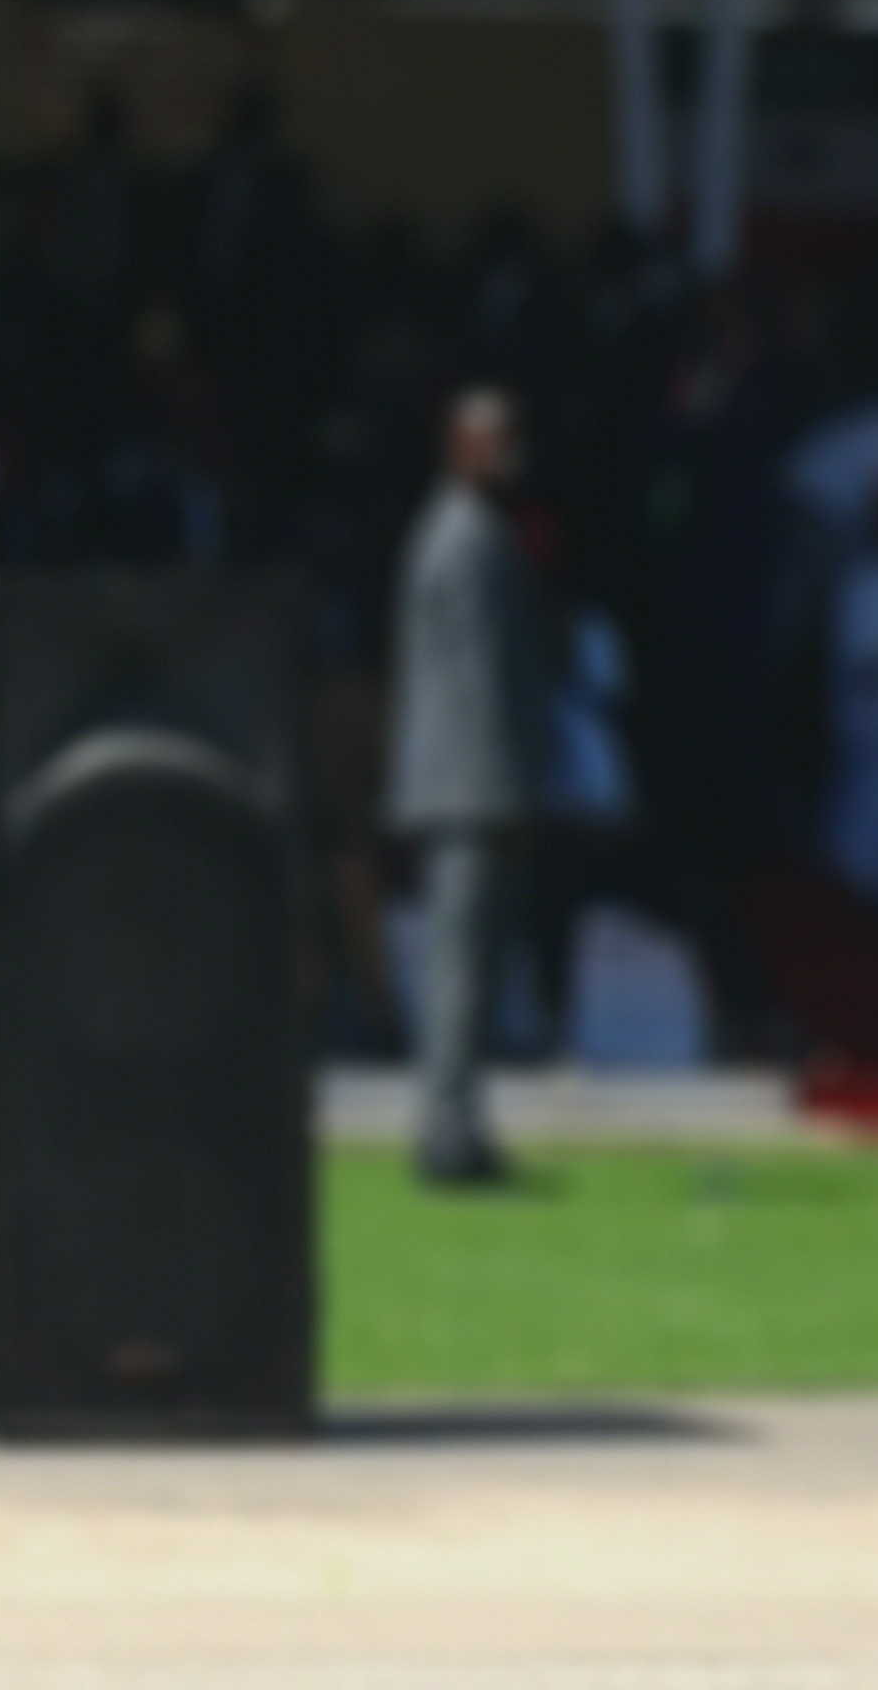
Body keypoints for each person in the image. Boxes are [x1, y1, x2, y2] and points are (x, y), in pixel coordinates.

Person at [385, 386, 556, 1184]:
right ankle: (449, 1137)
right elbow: (478, 680)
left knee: (470, 968)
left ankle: (457, 1127)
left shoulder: (462, 532)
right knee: (460, 967)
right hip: (470, 788)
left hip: (461, 786)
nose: (508, 453)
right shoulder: (466, 537)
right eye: (493, 439)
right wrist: (509, 792)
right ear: (457, 446)